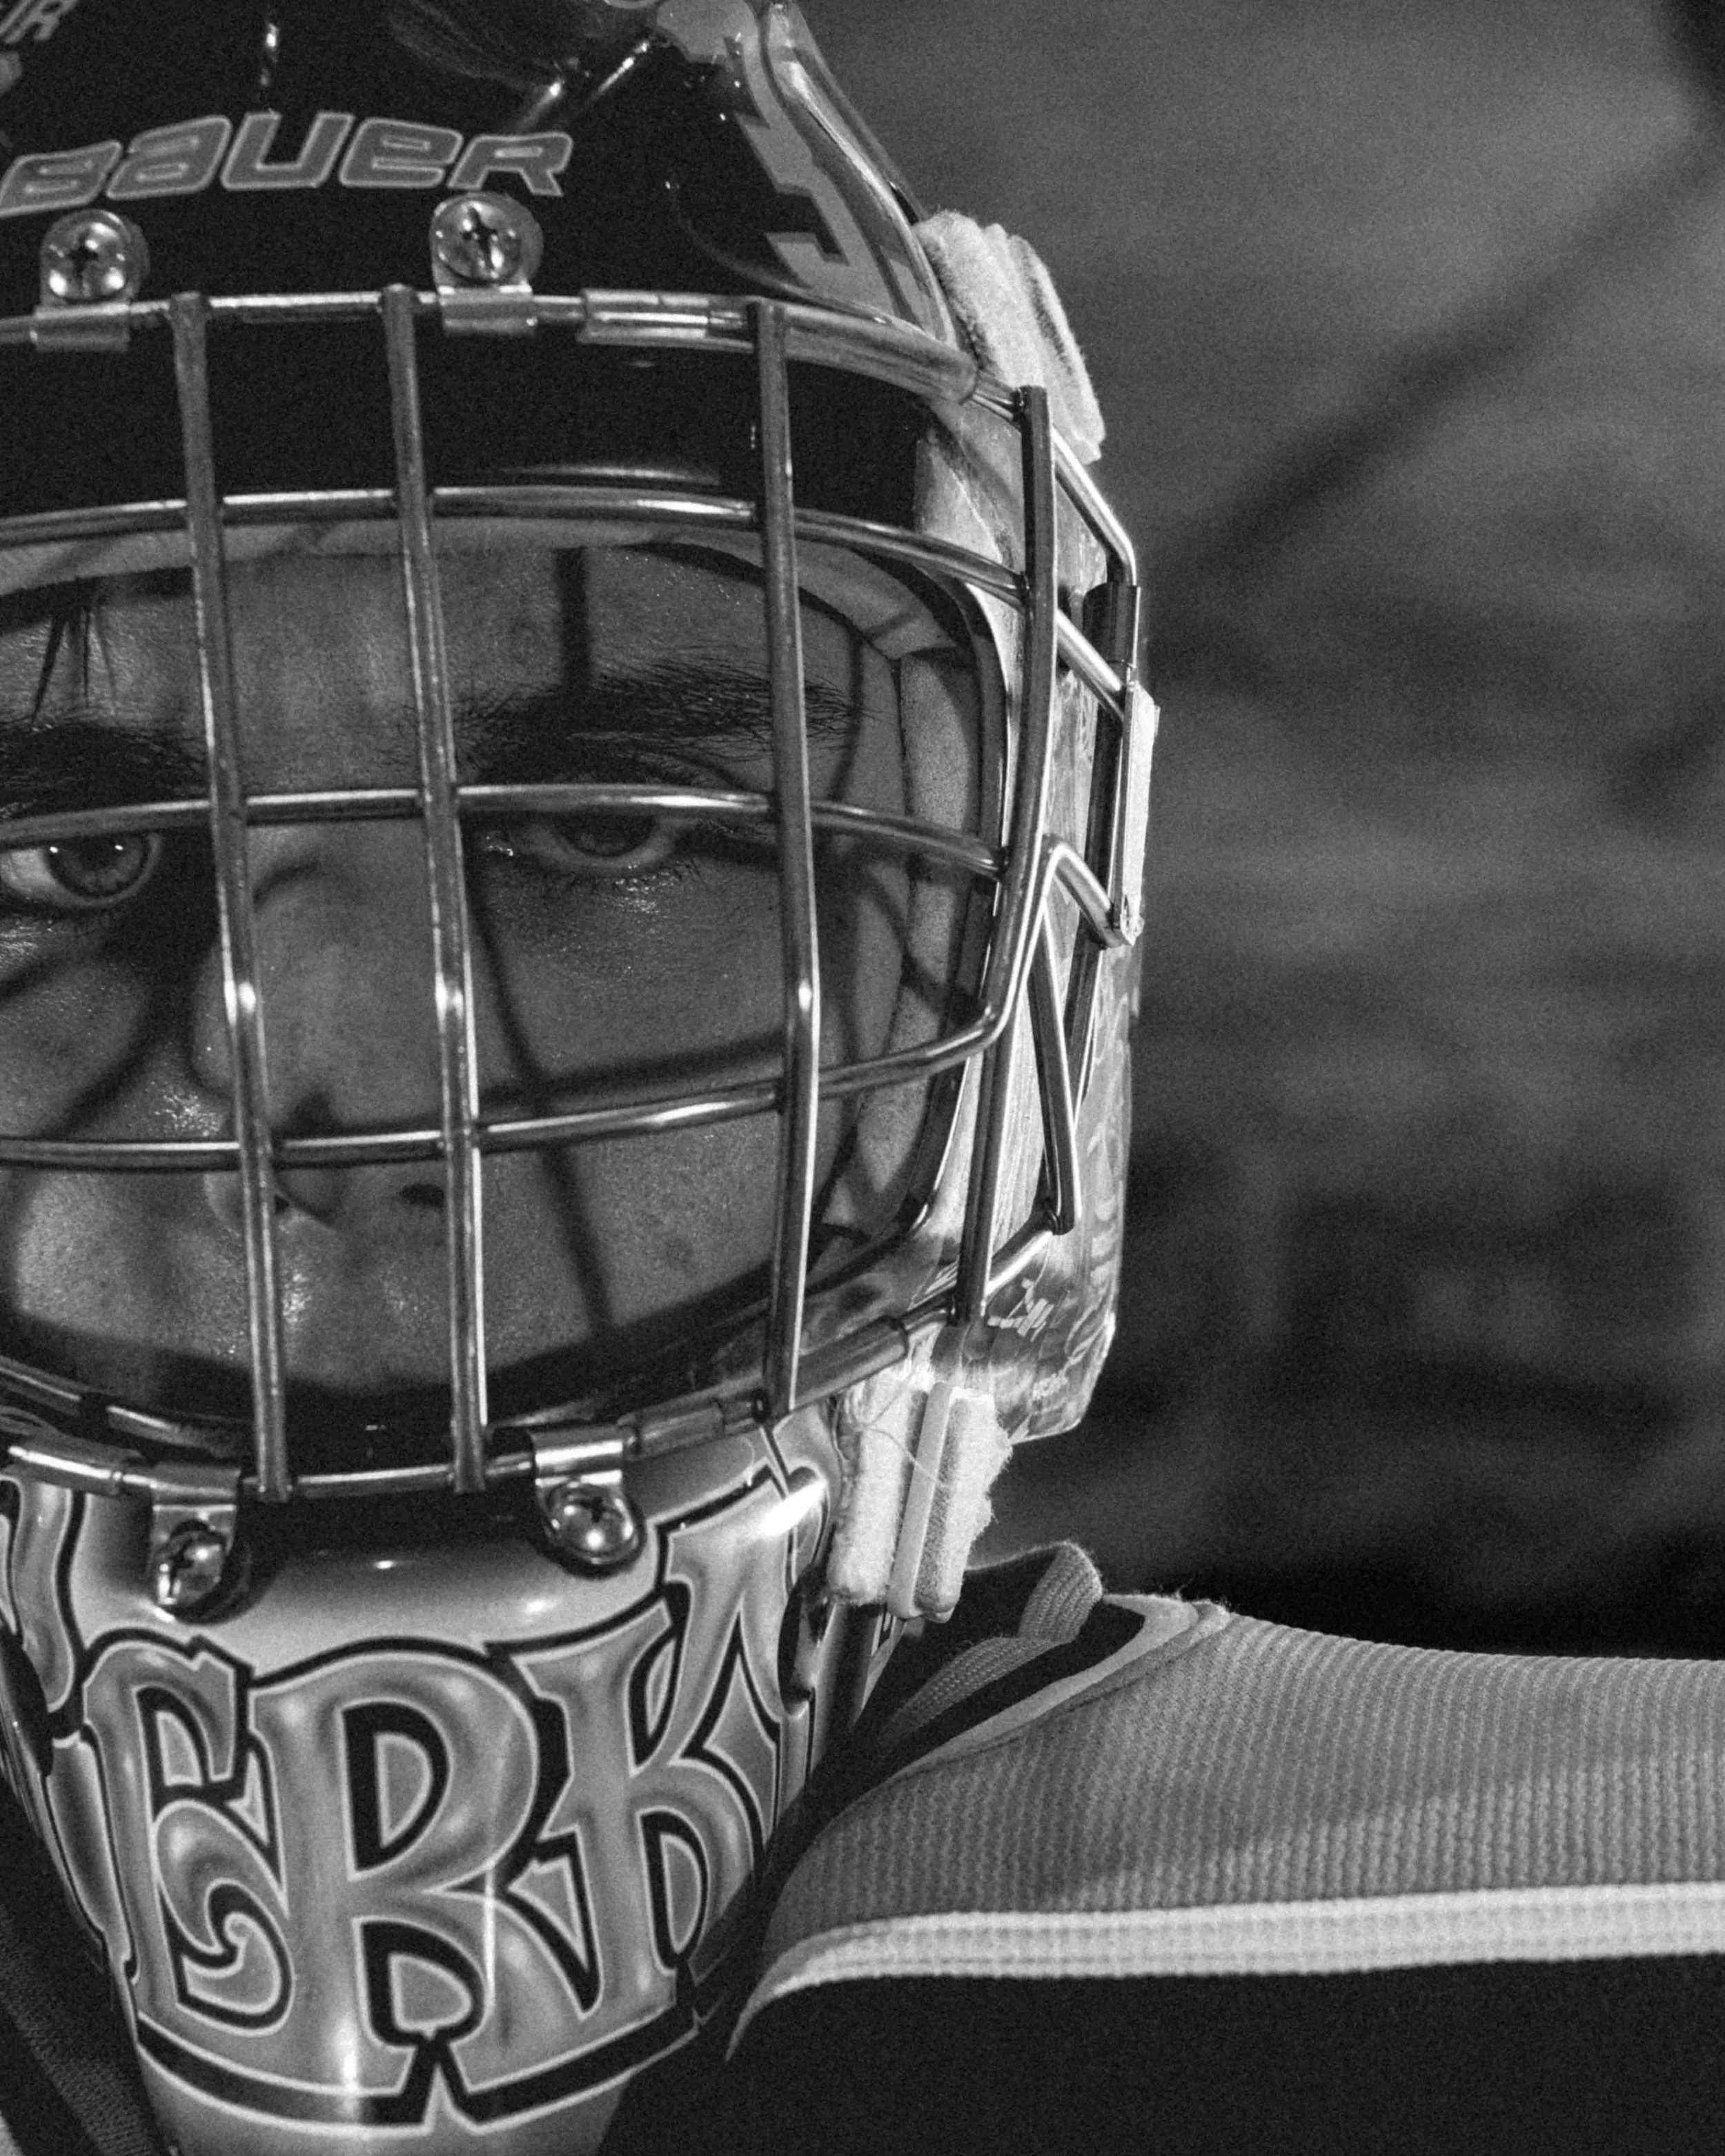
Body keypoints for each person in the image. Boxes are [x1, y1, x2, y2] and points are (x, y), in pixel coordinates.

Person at [0, 6, 1724, 2155]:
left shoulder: (1628, 1944)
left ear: (1021, 906)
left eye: (602, 822)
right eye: (84, 852)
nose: (337, 1063)